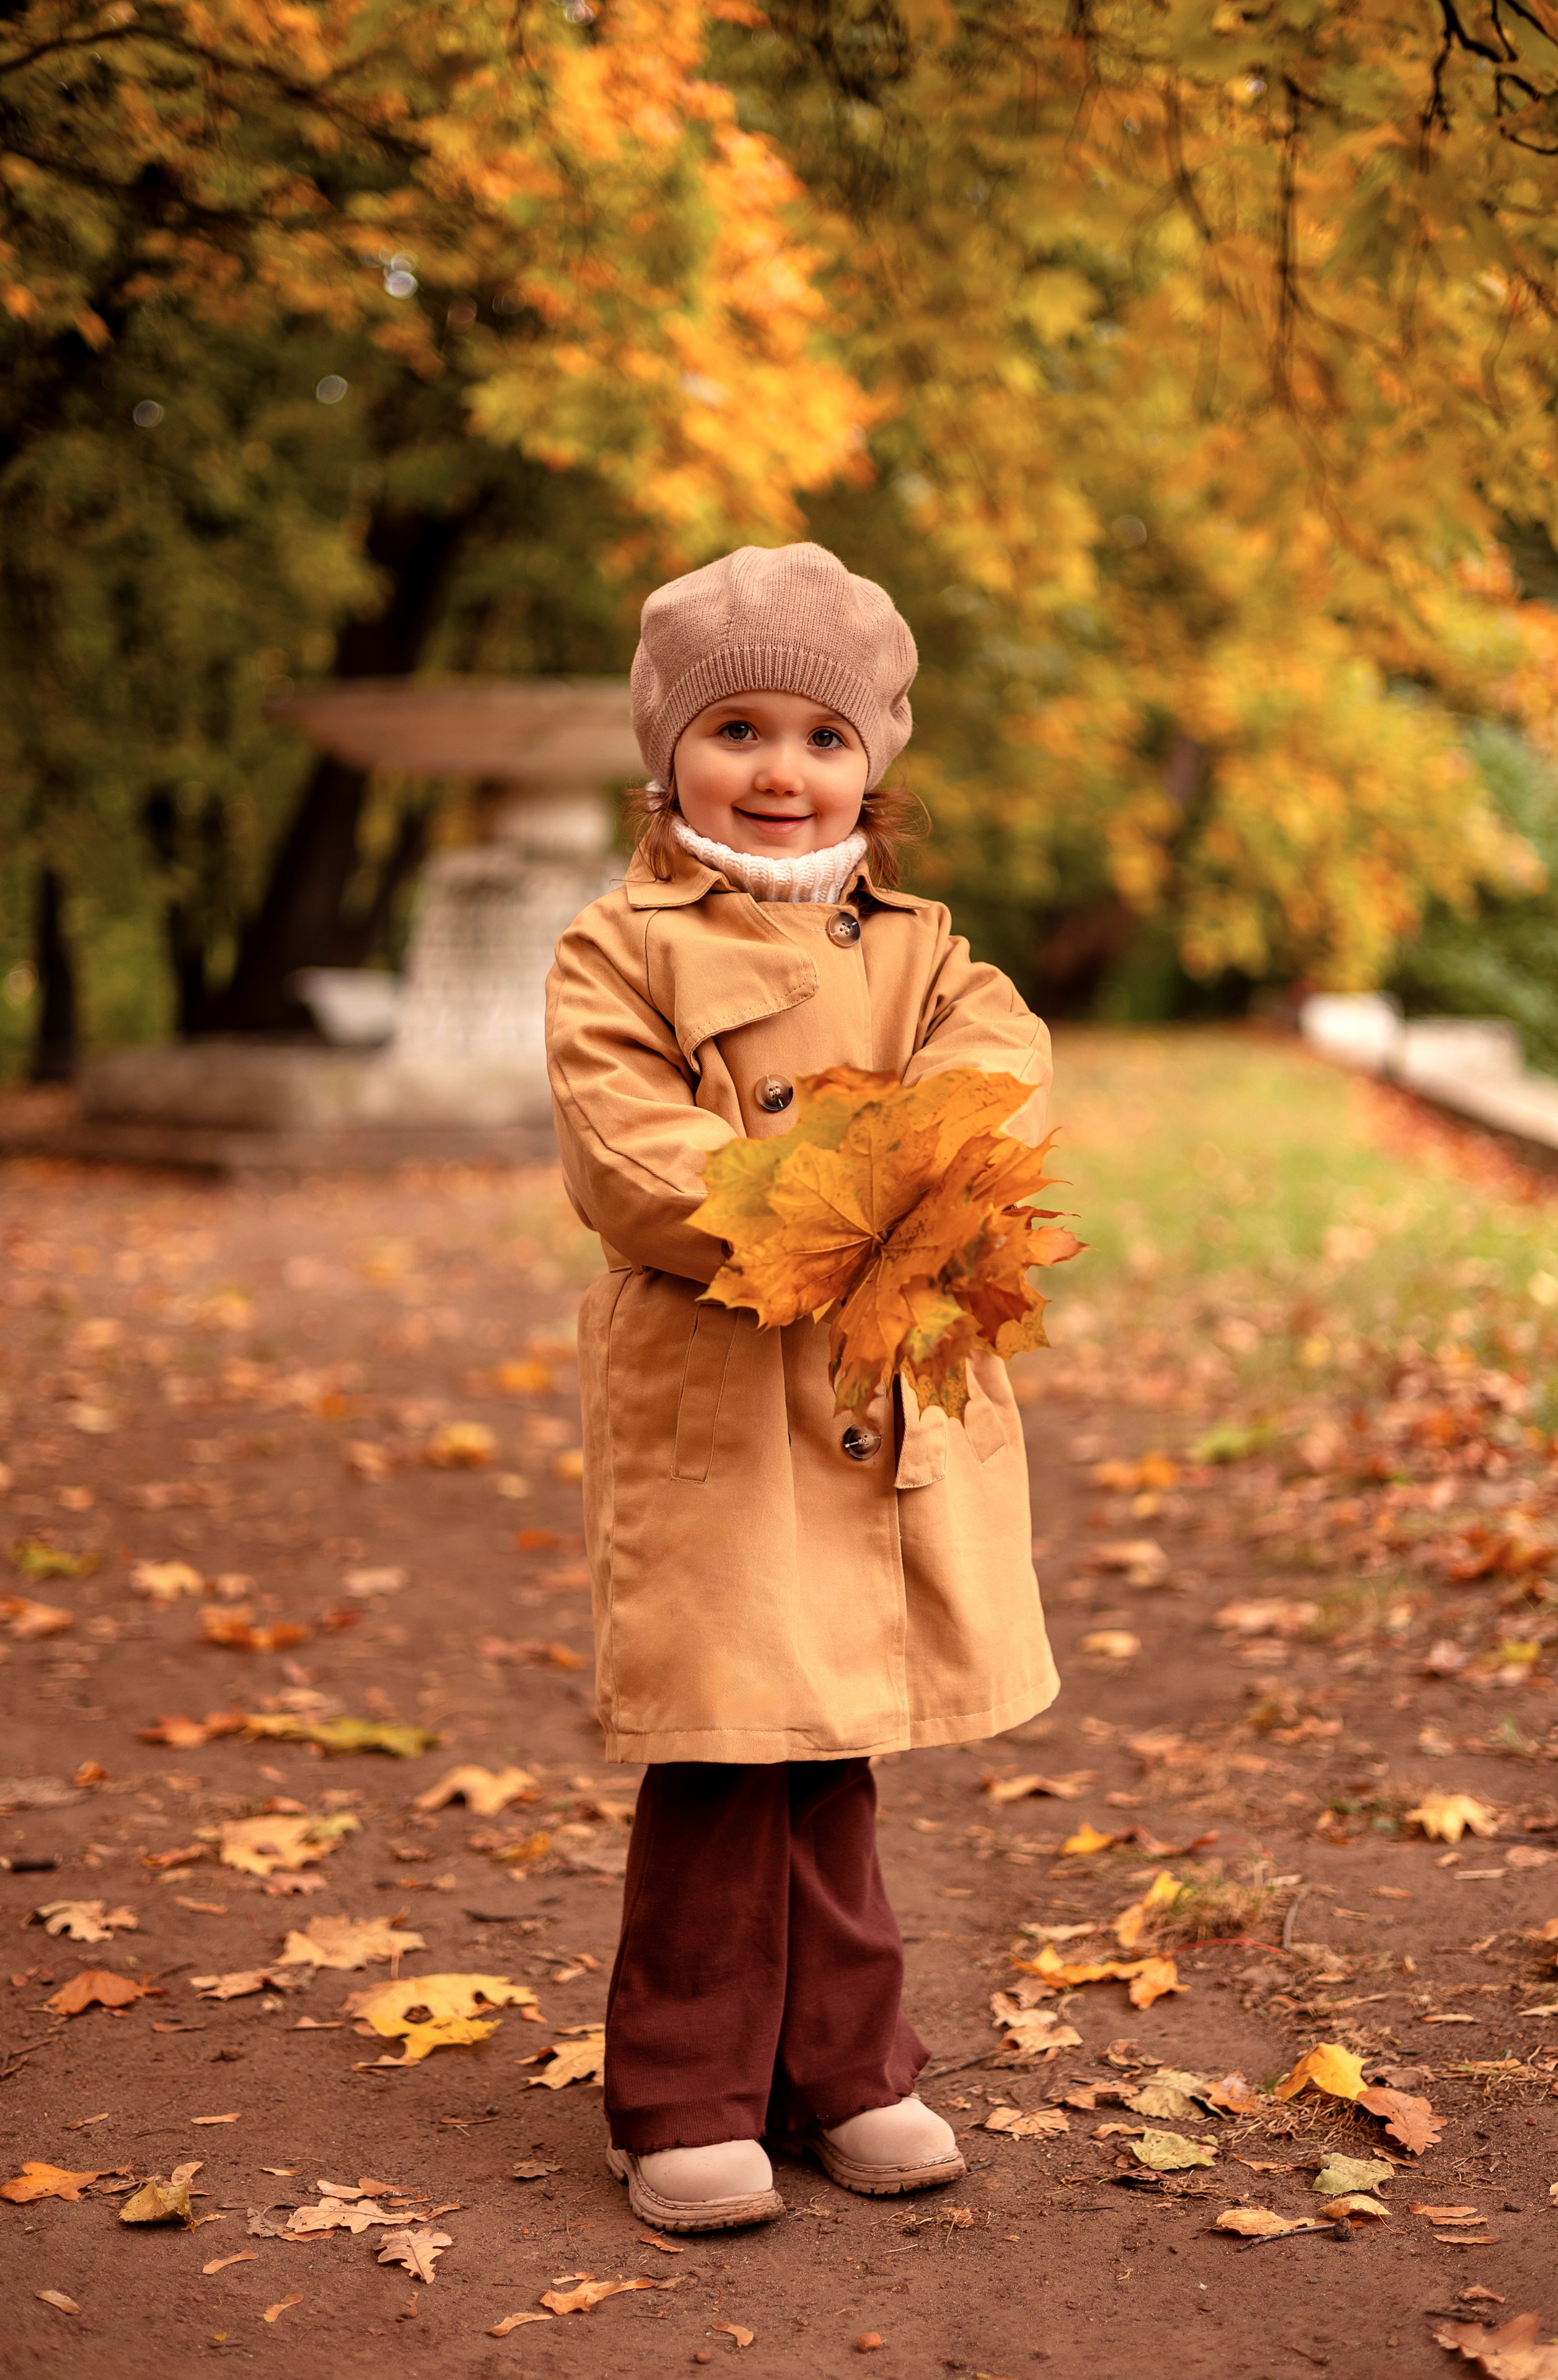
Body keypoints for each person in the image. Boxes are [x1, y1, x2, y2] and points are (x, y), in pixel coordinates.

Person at [544, 541, 1058, 2236]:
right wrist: (852, 1199)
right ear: (669, 753)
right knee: (721, 1743)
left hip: (872, 1391)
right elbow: (639, 1162)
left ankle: (847, 2061)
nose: (781, 770)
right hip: (723, 1396)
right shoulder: (615, 952)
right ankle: (684, 2086)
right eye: (739, 729)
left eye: (823, 737)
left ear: (875, 758)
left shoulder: (925, 952)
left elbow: (998, 1074)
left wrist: (925, 1166)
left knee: (831, 1738)